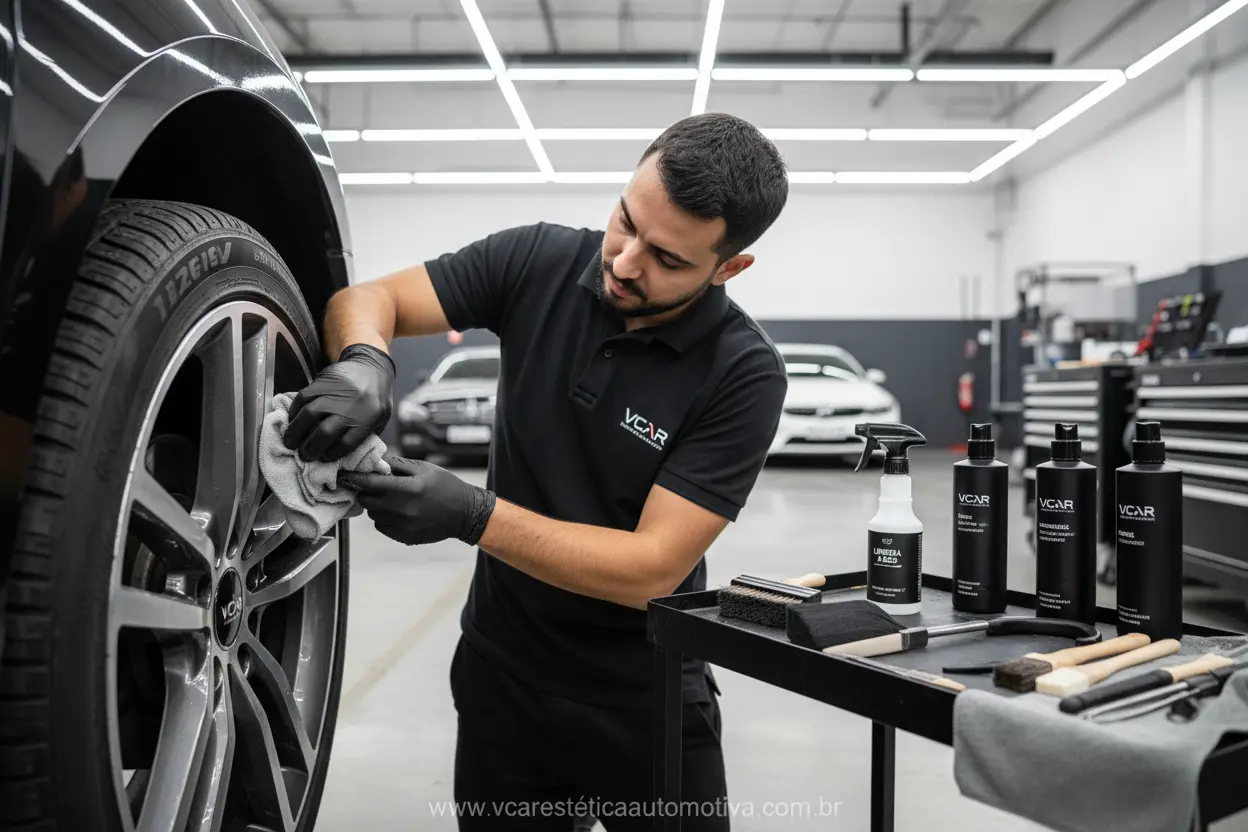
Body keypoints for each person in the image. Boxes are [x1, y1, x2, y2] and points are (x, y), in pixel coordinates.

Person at [282, 112, 790, 830]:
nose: (624, 261)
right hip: (503, 682)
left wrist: (471, 514)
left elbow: (650, 568)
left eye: (669, 259)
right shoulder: (538, 262)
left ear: (728, 268)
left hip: (643, 701)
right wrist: (366, 359)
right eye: (626, 220)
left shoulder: (743, 374)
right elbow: (371, 300)